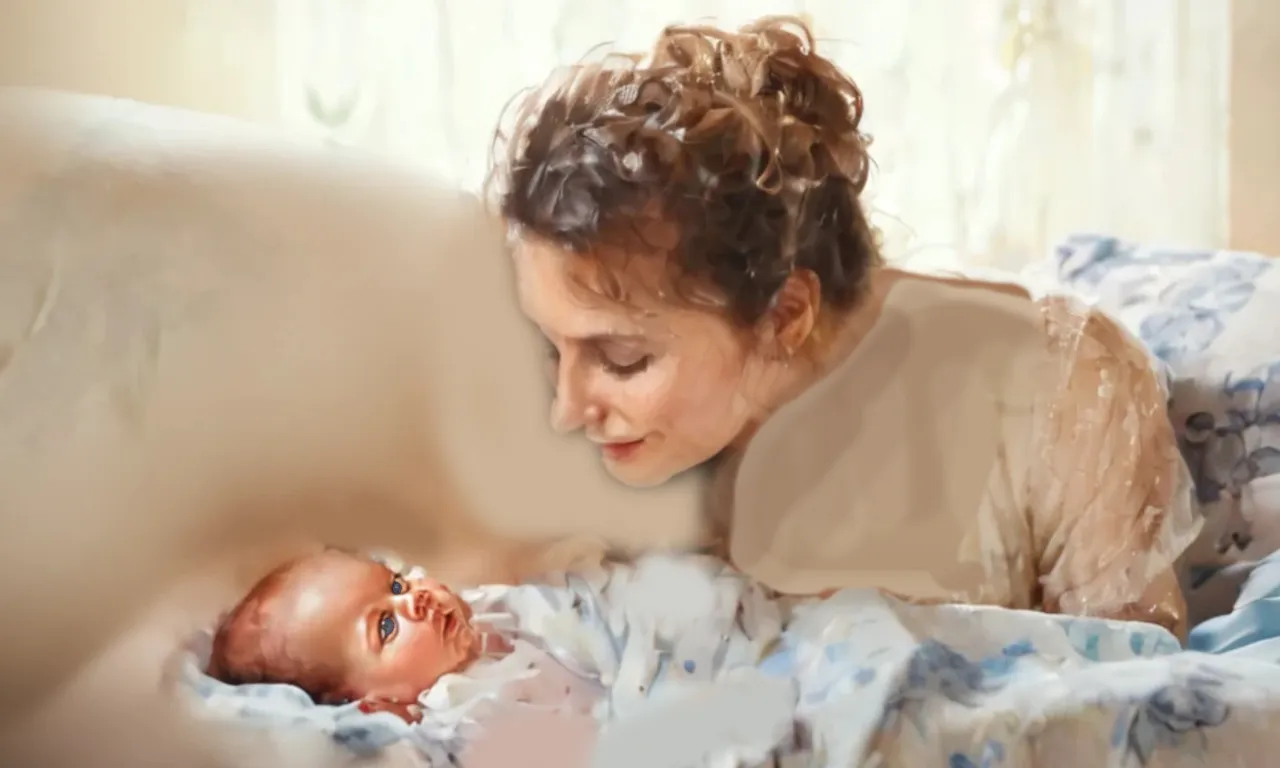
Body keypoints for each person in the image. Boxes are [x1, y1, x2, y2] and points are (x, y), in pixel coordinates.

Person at [486, 16, 1202, 636]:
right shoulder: (595, 460)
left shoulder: (1068, 388)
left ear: (784, 315)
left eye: (619, 357)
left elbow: (1144, 712)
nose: (566, 410)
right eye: (554, 348)